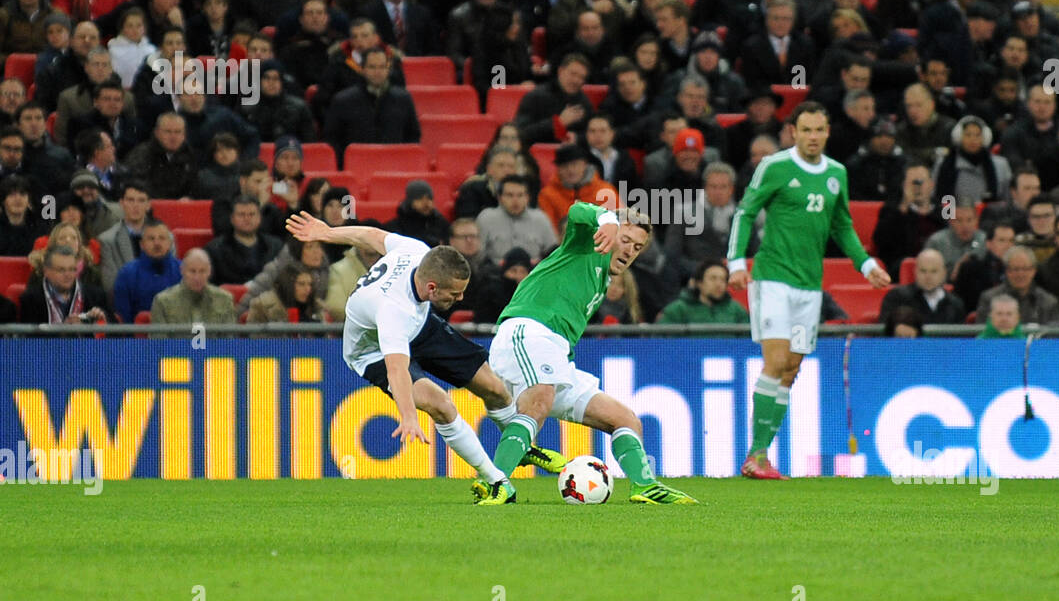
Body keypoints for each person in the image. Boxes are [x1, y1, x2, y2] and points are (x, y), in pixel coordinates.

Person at [285, 210, 567, 501]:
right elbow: (397, 370)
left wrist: (328, 233)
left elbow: (369, 236)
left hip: (420, 326)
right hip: (373, 352)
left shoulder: (416, 251)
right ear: (432, 287)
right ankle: (496, 481)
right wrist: (408, 416)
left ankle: (522, 446)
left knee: (494, 387)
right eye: (455, 294)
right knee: (441, 404)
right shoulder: (394, 309)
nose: (460, 300)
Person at [477, 201, 698, 505]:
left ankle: (645, 486)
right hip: (528, 332)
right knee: (539, 400)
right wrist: (606, 220)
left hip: (556, 356)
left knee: (626, 420)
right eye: (625, 240)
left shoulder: (601, 279)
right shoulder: (585, 247)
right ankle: (495, 482)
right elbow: (578, 210)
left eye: (638, 247)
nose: (630, 250)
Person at [727, 101, 890, 479]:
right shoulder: (776, 167)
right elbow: (745, 211)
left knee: (792, 369)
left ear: (827, 132)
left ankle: (761, 457)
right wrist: (737, 263)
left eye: (819, 130)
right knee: (776, 361)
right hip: (772, 280)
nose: (813, 137)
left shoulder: (836, 173)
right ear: (793, 132)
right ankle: (756, 455)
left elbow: (842, 226)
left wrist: (865, 264)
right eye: (806, 130)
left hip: (809, 287)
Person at [149, 248, 239, 325]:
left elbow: (229, 342)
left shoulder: (224, 300)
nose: (197, 277)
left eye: (202, 271)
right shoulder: (162, 302)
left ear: (209, 272)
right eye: (192, 271)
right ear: (182, 270)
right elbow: (159, 343)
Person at [658, 259, 749, 325]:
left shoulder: (736, 310)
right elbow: (662, 343)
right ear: (699, 283)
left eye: (723, 279)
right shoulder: (678, 310)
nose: (719, 284)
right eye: (713, 278)